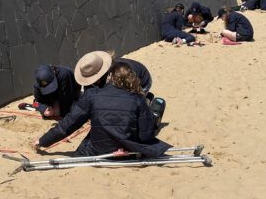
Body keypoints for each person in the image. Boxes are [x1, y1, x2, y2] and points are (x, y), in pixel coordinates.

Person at [37, 61, 170, 157]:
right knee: (145, 120)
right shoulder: (137, 98)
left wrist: (43, 141)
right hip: (129, 149)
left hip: (101, 150)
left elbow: (68, 125)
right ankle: (153, 114)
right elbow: (145, 136)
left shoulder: (91, 95)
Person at [75, 51, 152, 95]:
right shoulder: (94, 69)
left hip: (141, 81)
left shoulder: (119, 74)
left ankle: (147, 100)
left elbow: (130, 92)